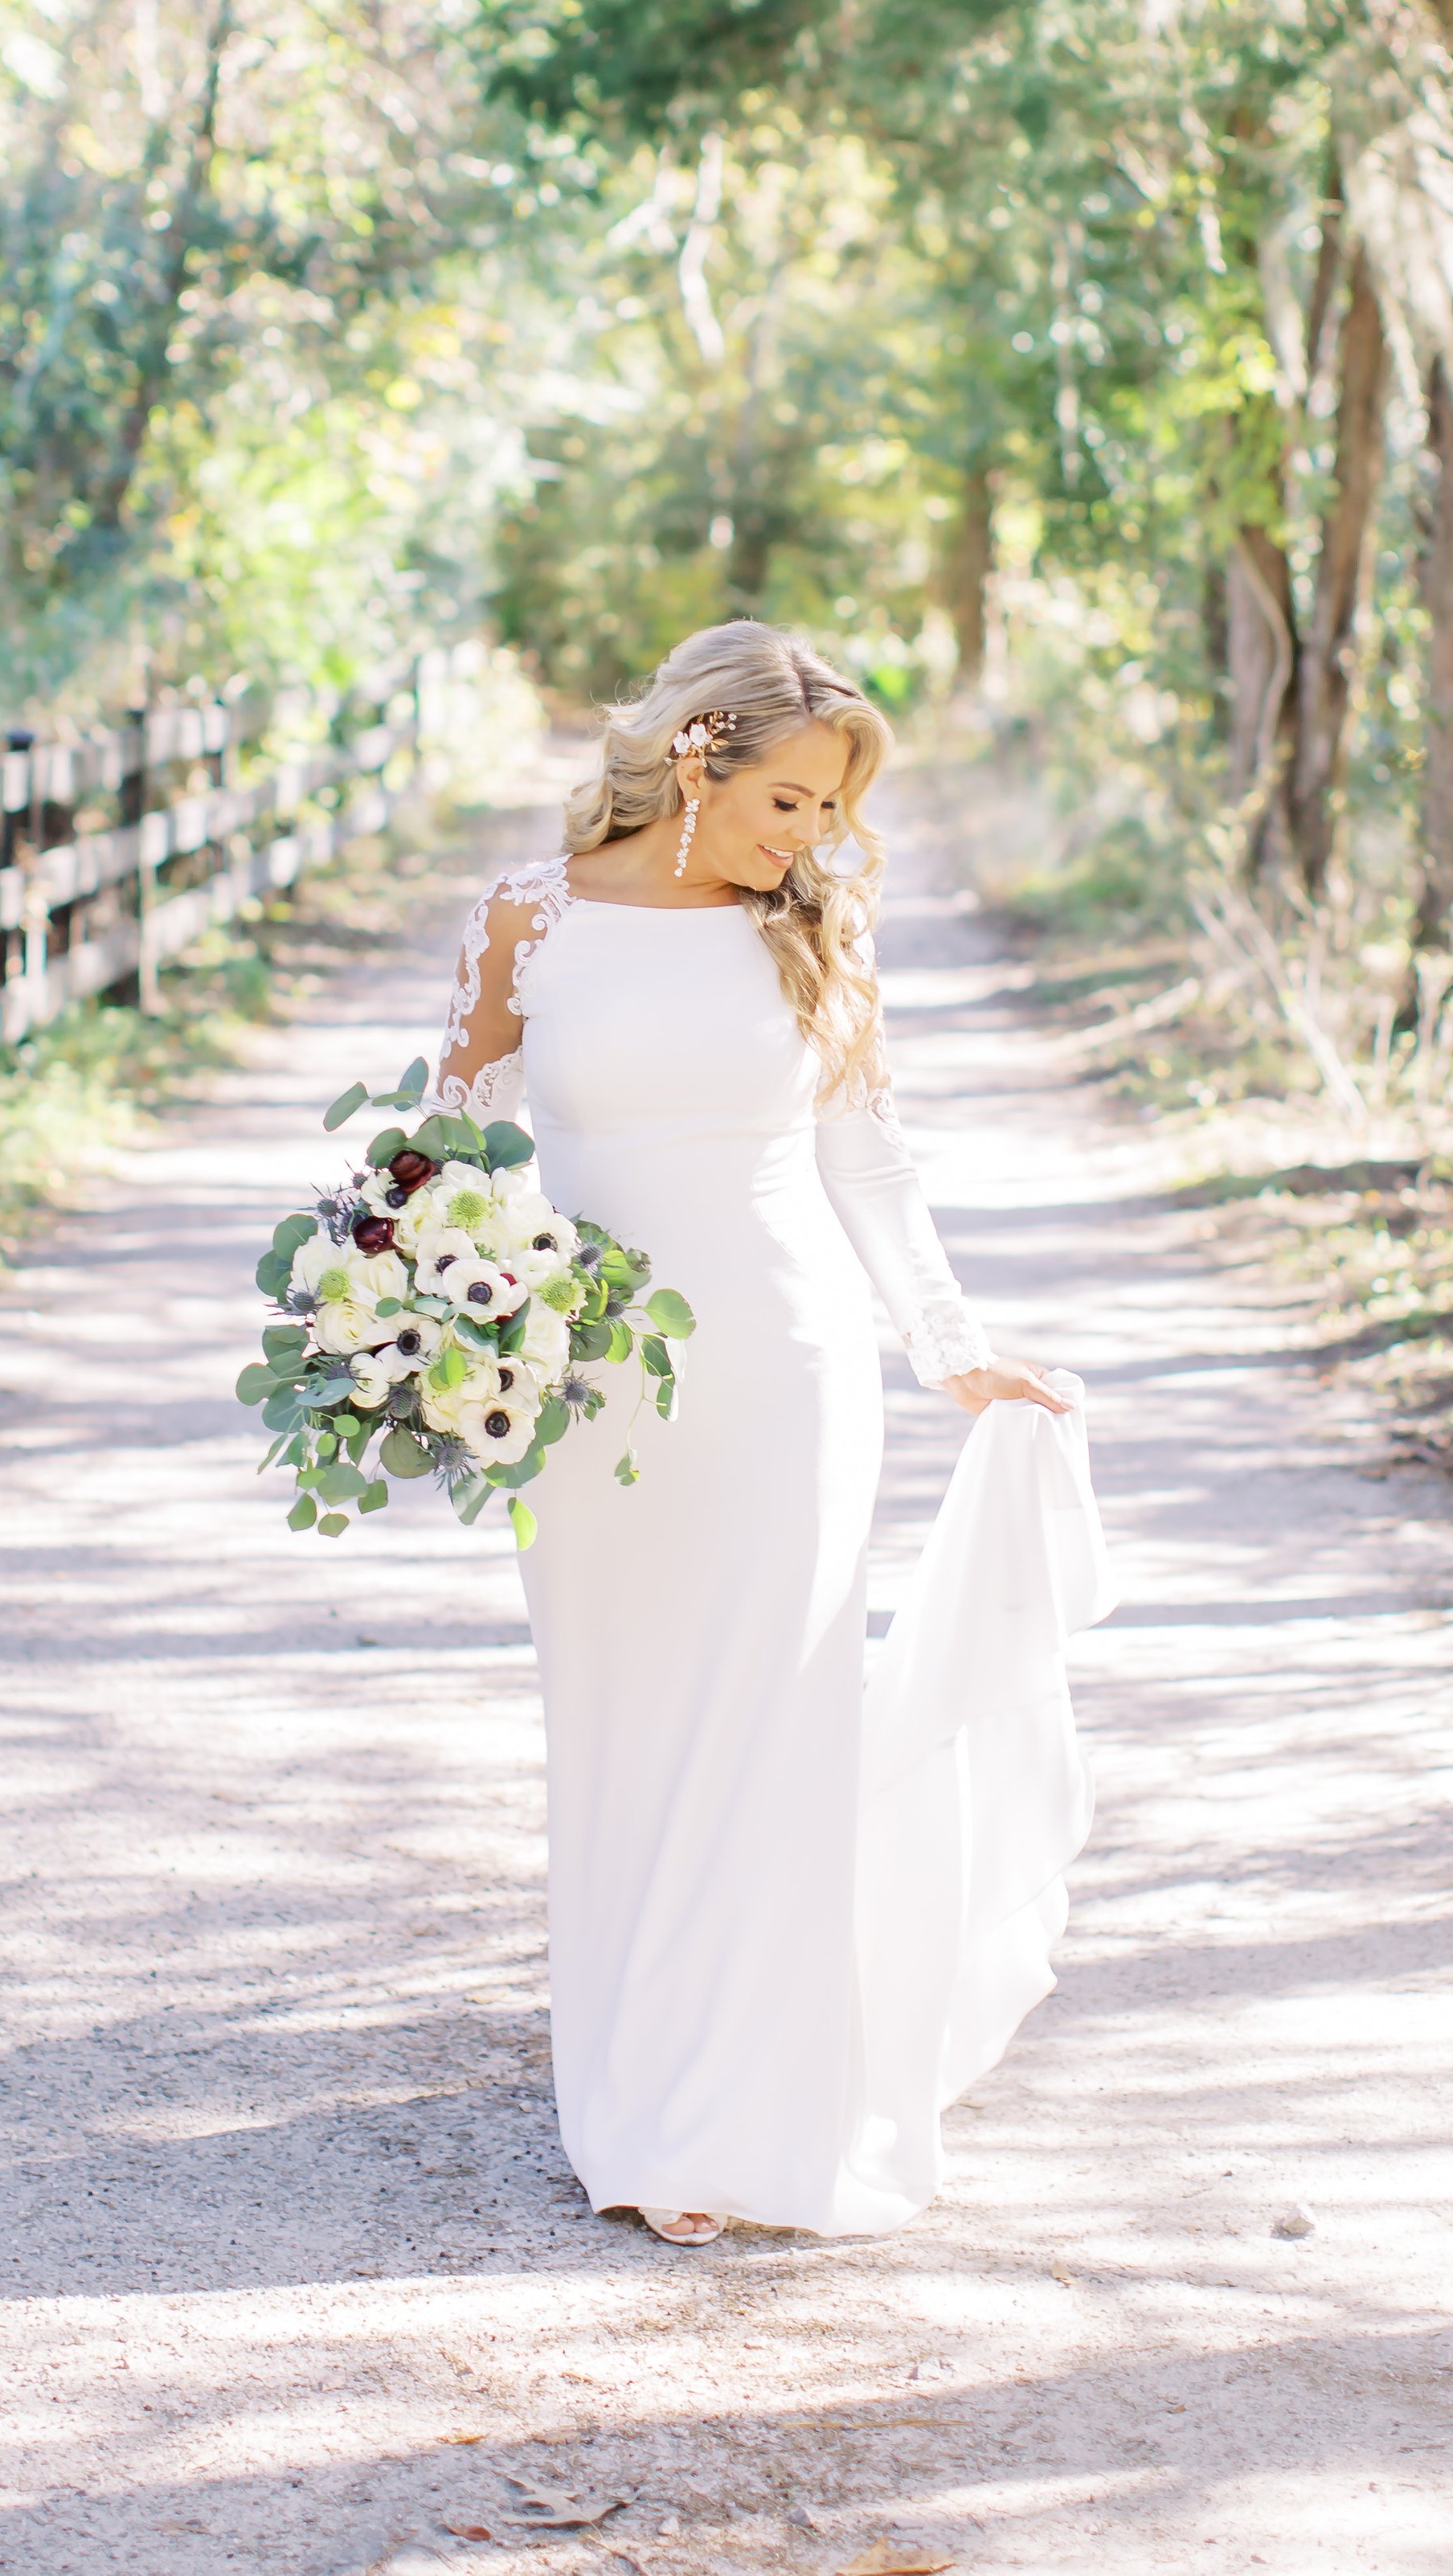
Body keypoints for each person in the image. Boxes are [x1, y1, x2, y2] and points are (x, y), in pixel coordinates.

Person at [432, 620, 1084, 2245]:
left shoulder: (813, 931)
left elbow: (867, 1159)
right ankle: (633, 2090)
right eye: (787, 802)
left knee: (768, 1722)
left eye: (828, 813)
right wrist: (419, 1313)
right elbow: (438, 1146)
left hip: (785, 1373)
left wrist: (952, 1348)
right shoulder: (534, 922)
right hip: (581, 1392)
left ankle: (731, 2116)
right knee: (618, 1720)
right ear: (696, 758)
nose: (810, 840)